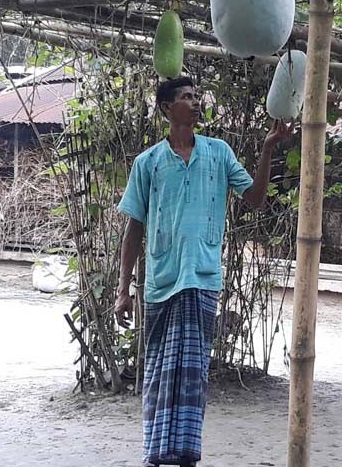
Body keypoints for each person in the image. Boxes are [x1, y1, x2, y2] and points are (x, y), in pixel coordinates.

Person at [114, 76, 291, 466]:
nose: (195, 103)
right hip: (161, 281)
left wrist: (266, 151)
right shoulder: (148, 163)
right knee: (160, 371)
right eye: (186, 97)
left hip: (202, 278)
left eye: (197, 97)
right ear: (166, 108)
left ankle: (186, 455)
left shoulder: (219, 153)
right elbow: (134, 228)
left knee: (192, 374)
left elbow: (256, 199)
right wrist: (122, 289)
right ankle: (157, 453)